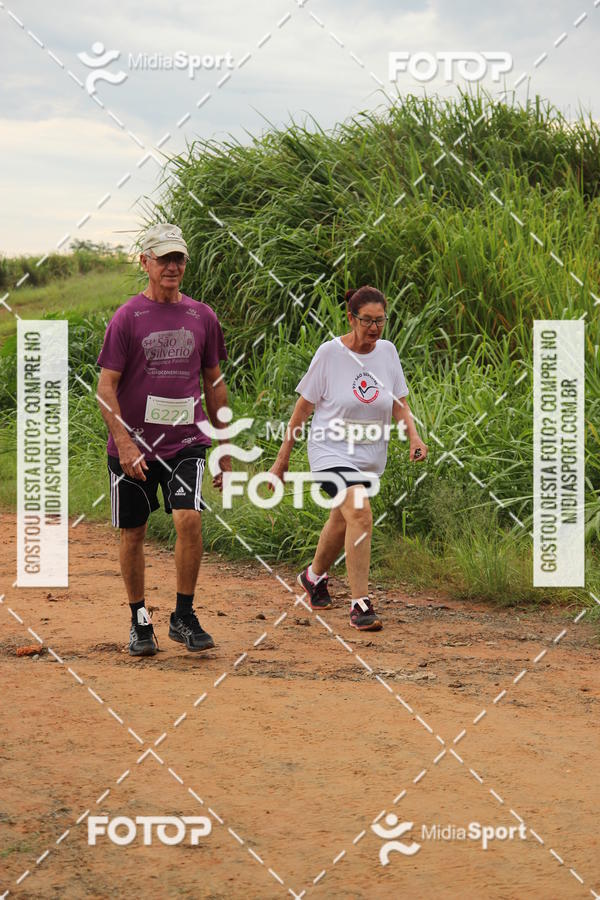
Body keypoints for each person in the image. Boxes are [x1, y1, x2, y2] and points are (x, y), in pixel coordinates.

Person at [96, 223, 230, 657]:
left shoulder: (201, 316)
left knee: (188, 518)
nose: (172, 266)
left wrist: (223, 442)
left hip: (186, 440)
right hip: (132, 446)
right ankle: (139, 619)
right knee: (133, 532)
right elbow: (106, 388)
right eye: (163, 258)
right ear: (145, 263)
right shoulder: (127, 318)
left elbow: (215, 382)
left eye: (179, 258)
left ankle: (183, 615)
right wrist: (127, 443)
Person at [270, 285, 428, 631]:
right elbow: (303, 408)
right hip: (329, 450)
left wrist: (413, 435)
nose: (374, 328)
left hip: (369, 456)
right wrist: (282, 460)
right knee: (359, 511)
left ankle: (313, 577)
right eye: (367, 321)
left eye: (380, 321)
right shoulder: (330, 354)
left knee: (342, 520)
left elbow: (399, 402)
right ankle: (360, 604)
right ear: (351, 318)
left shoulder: (387, 353)